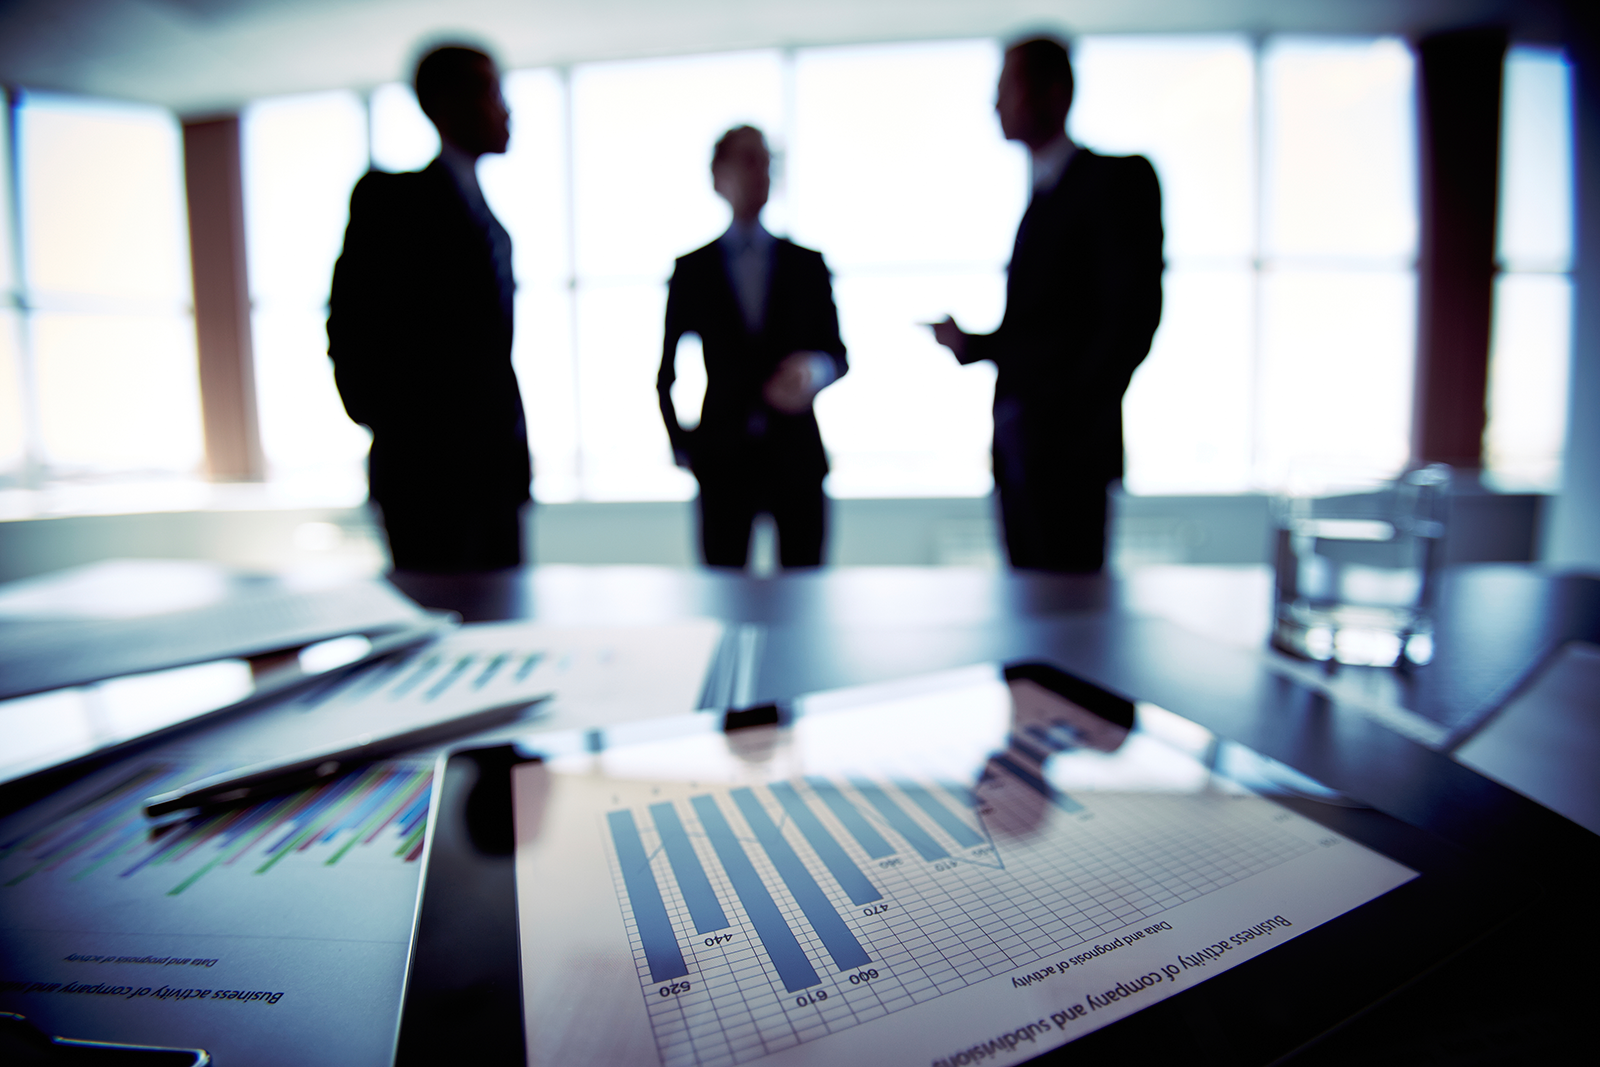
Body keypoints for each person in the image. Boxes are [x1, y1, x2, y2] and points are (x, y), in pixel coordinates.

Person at [931, 36, 1163, 573]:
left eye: (1007, 87)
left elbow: (1130, 321)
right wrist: (973, 344)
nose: (996, 104)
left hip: (1069, 454)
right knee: (1030, 617)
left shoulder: (1117, 181)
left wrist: (1064, 422)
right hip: (1017, 452)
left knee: (1071, 627)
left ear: (1056, 92)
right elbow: (1043, 330)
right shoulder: (1040, 197)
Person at [328, 44, 530, 572]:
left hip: (496, 474)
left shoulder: (492, 224)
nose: (505, 109)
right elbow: (351, 325)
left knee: (502, 630)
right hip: (424, 477)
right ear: (444, 103)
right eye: (491, 92)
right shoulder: (391, 201)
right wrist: (395, 430)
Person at [658, 126, 848, 569]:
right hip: (722, 461)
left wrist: (813, 371)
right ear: (717, 175)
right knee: (723, 596)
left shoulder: (808, 265)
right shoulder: (692, 270)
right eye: (747, 160)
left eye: (766, 161)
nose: (759, 172)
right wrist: (685, 447)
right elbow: (665, 375)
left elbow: (837, 353)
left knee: (804, 596)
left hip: (796, 457)